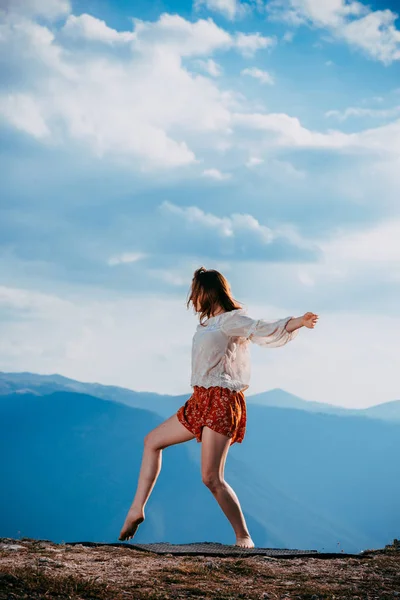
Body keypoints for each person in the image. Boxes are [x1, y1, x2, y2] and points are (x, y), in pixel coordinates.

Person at [118, 266, 318, 547]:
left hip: (221, 400)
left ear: (207, 292)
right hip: (200, 399)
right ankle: (136, 510)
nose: (192, 298)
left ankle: (244, 537)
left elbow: (261, 328)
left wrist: (298, 321)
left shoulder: (230, 321)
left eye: (195, 292)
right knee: (152, 441)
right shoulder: (209, 324)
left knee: (211, 478)